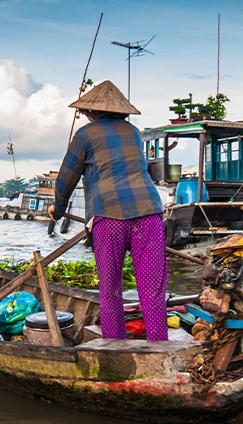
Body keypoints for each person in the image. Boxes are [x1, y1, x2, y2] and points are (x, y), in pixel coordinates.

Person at [48, 80, 168, 341]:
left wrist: (57, 211)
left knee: (110, 289)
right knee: (152, 290)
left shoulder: (84, 135)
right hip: (149, 214)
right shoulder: (134, 132)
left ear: (92, 112)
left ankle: (115, 346)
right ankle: (160, 346)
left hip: (109, 217)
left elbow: (66, 178)